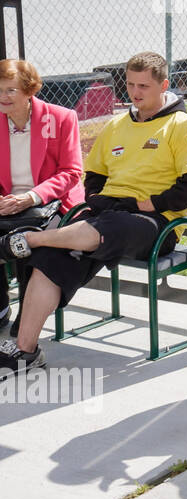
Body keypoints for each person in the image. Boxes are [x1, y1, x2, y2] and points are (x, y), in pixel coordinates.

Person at [0, 52, 187, 374]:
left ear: (164, 85)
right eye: (130, 84)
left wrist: (151, 203)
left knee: (105, 226)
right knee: (48, 261)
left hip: (155, 222)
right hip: (104, 216)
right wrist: (98, 197)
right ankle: (26, 350)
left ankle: (31, 238)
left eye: (144, 85)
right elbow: (94, 175)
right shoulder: (116, 125)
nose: (135, 92)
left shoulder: (182, 126)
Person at [0, 59, 84, 336]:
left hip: (51, 205)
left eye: (10, 90)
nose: (3, 97)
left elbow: (71, 173)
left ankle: (26, 323)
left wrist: (31, 197)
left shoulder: (61, 118)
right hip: (8, 205)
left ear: (29, 90)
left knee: (23, 242)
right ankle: (1, 310)